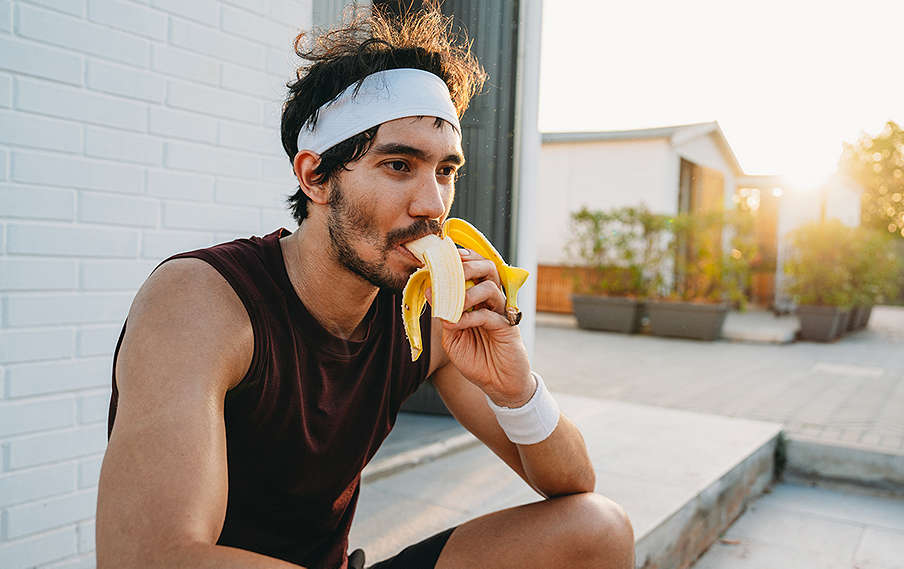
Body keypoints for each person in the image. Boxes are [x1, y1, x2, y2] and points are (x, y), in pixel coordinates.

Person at [95, 5, 634, 569]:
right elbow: (146, 557)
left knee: (597, 527)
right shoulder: (202, 299)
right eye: (399, 165)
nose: (432, 207)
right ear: (314, 176)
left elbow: (573, 483)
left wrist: (517, 389)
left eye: (446, 171)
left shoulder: (425, 314)